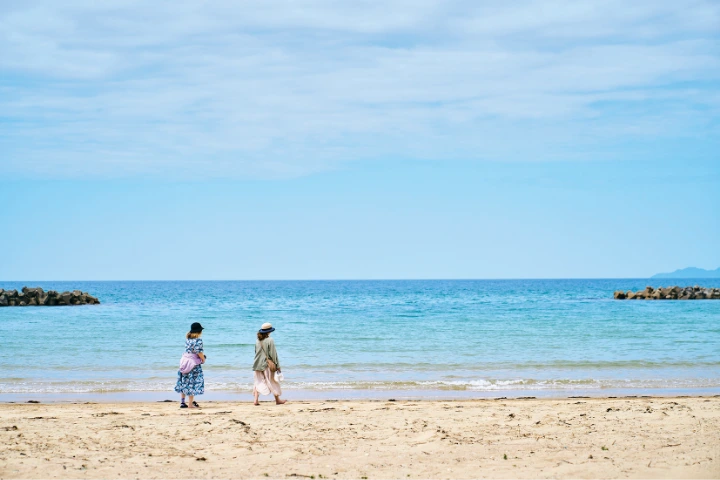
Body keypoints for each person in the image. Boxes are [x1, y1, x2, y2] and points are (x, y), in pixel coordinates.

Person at [253, 322, 286, 405]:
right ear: (269, 331)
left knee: (258, 382)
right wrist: (278, 366)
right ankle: (277, 400)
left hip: (257, 364)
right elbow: (273, 354)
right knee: (271, 381)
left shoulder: (257, 340)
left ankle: (256, 400)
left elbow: (256, 352)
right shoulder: (270, 340)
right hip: (266, 364)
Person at [175, 322, 206, 409]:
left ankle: (182, 402)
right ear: (199, 331)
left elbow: (190, 351)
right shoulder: (198, 340)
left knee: (184, 382)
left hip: (184, 361)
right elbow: (198, 352)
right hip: (193, 364)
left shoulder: (187, 339)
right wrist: (203, 359)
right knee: (192, 383)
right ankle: (190, 404)